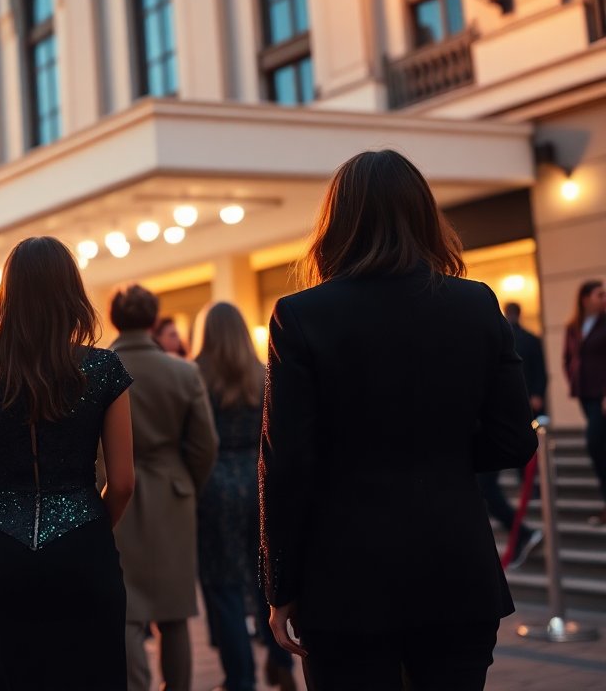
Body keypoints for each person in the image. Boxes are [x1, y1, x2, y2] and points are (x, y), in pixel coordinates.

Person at [259, 150, 536, 689]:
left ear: (337, 223)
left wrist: (279, 586)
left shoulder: (300, 316)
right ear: (423, 215)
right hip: (456, 567)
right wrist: (446, 451)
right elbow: (514, 440)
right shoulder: (476, 305)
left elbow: (286, 463)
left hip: (344, 578)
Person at [0, 237, 135, 690]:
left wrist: (5, 518)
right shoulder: (105, 369)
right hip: (85, 543)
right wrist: (88, 524)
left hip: (5, 549)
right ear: (70, 292)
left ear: (7, 296)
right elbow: (124, 481)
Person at [106, 286, 216, 691]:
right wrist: (187, 483)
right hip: (174, 493)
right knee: (174, 612)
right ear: (154, 320)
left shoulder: (97, 369)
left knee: (127, 612)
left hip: (114, 493)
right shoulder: (183, 372)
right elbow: (206, 445)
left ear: (114, 319)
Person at [191, 302, 295, 691]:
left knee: (223, 586)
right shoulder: (263, 373)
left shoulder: (196, 375)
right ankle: (279, 655)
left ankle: (241, 679)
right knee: (263, 577)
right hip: (259, 481)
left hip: (214, 486)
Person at [478, 303, 546, 566]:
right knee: (486, 487)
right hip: (495, 423)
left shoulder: (527, 339)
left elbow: (536, 371)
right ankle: (522, 535)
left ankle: (525, 533)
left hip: (511, 417)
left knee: (489, 485)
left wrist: (537, 395)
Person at [564, 279, 606, 525]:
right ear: (586, 298)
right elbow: (568, 357)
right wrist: (573, 378)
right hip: (586, 394)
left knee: (595, 443)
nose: (604, 299)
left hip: (602, 395)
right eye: (600, 294)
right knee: (600, 446)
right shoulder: (574, 325)